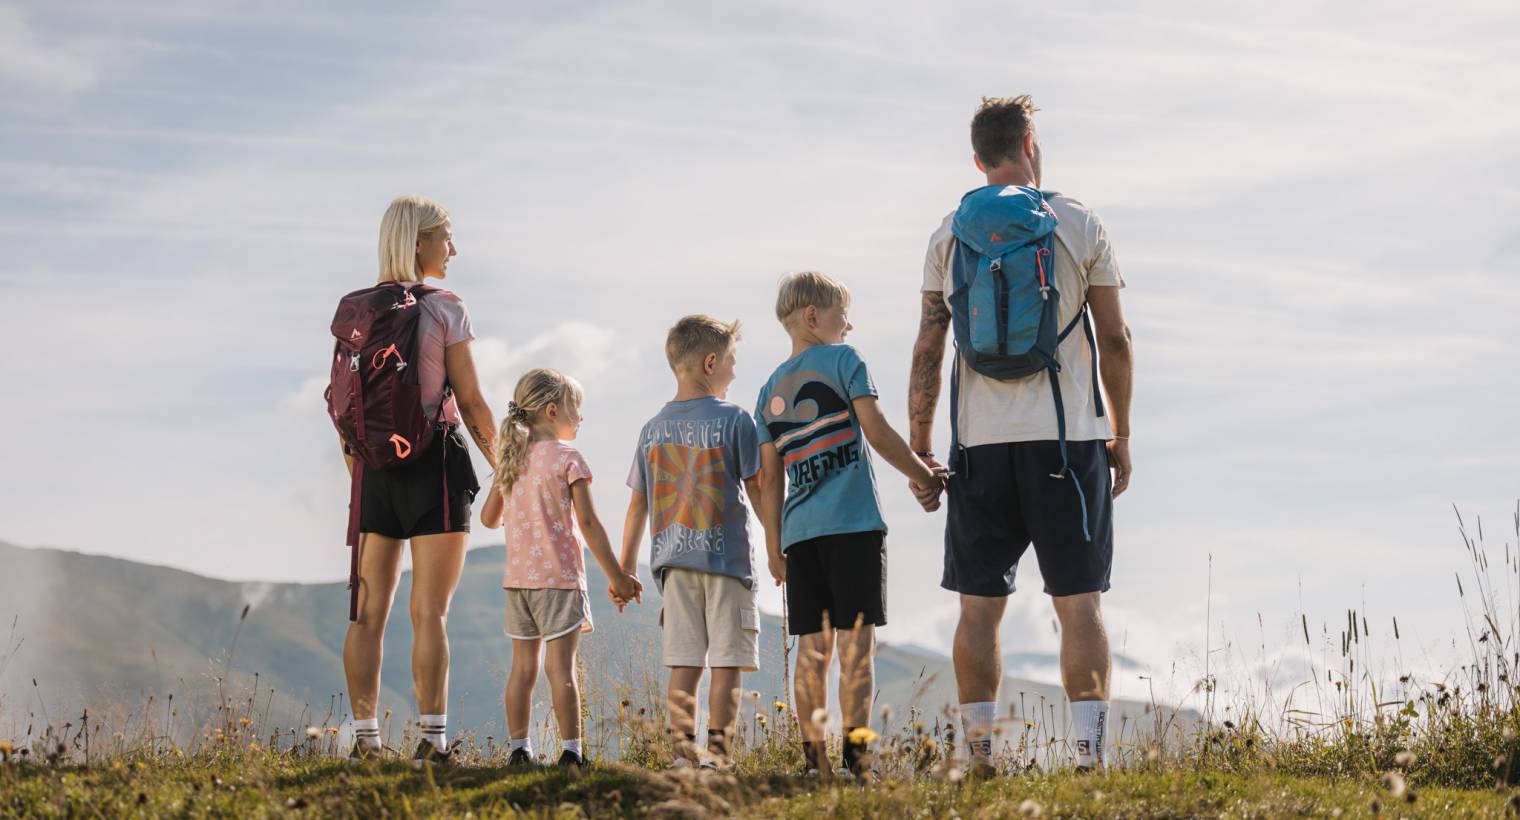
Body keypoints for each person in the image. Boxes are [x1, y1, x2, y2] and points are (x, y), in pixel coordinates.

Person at [907, 96, 1134, 772]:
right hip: (1068, 442)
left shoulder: (949, 235)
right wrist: (1121, 433)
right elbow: (1115, 339)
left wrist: (921, 446)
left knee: (979, 609)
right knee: (1079, 603)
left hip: (979, 447)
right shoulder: (1078, 223)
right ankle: (1088, 760)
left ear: (978, 158)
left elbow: (928, 346)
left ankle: (980, 757)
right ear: (1030, 144)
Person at [753, 272, 944, 777]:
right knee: (857, 649)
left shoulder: (767, 391)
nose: (849, 325)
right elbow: (876, 431)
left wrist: (773, 547)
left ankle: (814, 763)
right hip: (854, 527)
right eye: (843, 315)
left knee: (812, 652)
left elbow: (769, 481)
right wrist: (924, 476)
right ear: (813, 316)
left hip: (800, 536)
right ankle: (858, 762)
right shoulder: (845, 360)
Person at [339, 195, 499, 763]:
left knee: (367, 613)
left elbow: (344, 405)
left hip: (373, 471)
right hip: (435, 463)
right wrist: (505, 466)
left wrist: (363, 471)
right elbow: (471, 401)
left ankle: (365, 743)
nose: (453, 249)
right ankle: (432, 742)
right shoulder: (446, 307)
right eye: (445, 237)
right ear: (418, 242)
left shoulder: (355, 311)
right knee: (429, 611)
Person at [616, 315, 768, 769]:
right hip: (727, 564)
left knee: (684, 662)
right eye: (731, 362)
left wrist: (625, 569)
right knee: (727, 662)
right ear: (710, 363)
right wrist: (779, 544)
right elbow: (757, 488)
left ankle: (682, 757)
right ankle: (718, 757)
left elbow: (638, 506)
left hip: (674, 566)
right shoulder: (735, 419)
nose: (734, 373)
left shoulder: (651, 430)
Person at [480, 368, 642, 771]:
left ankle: (519, 750)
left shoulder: (511, 460)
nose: (580, 416)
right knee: (562, 669)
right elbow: (588, 523)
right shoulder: (569, 459)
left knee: (522, 670)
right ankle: (571, 753)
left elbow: (488, 518)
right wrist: (618, 577)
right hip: (559, 582)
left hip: (518, 584)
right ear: (552, 411)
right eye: (576, 408)